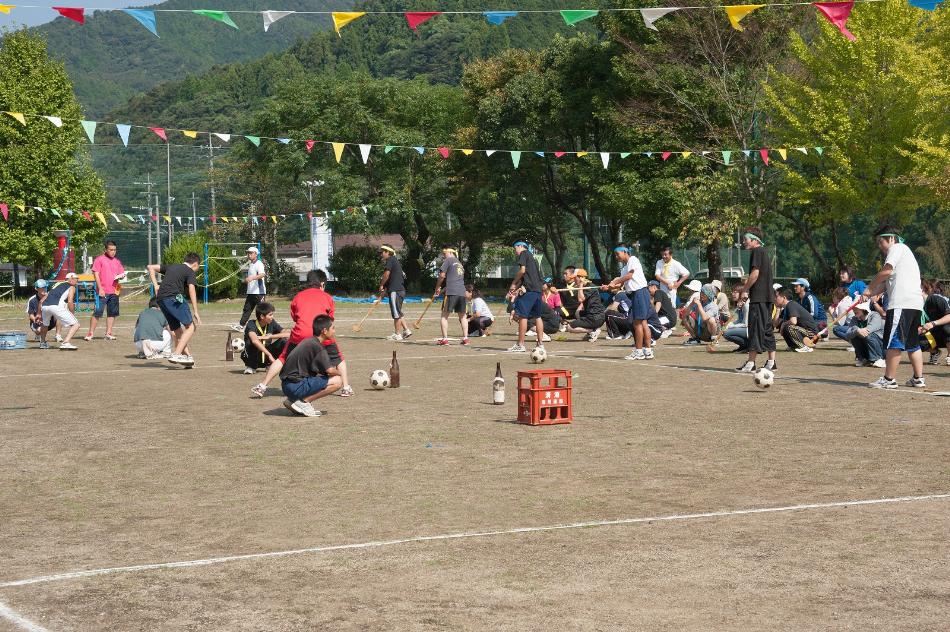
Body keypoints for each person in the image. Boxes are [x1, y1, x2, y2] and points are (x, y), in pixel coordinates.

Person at [251, 269, 353, 398]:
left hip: (300, 333)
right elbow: (329, 320)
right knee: (338, 359)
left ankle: (262, 386)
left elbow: (295, 317)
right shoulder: (327, 297)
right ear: (322, 284)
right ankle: (346, 387)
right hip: (321, 332)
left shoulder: (298, 297)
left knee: (282, 358)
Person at [862, 226, 925, 389]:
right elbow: (888, 281)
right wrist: (872, 293)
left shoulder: (896, 248)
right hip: (914, 304)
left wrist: (869, 287)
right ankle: (918, 378)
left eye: (880, 241)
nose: (879, 245)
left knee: (893, 342)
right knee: (913, 344)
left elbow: (886, 271)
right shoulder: (905, 252)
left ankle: (889, 379)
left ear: (891, 238)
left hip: (901, 304)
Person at [279, 314, 343, 417]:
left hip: (287, 385)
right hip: (295, 386)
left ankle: (292, 401)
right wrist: (341, 373)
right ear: (324, 331)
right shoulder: (318, 347)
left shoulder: (308, 341)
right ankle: (304, 402)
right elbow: (330, 371)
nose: (334, 331)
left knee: (322, 378)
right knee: (337, 381)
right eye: (333, 328)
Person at [147, 253, 202, 367]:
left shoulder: (172, 267)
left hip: (161, 300)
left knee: (177, 330)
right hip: (174, 298)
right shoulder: (189, 271)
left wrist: (156, 285)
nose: (197, 270)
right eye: (198, 267)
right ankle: (176, 353)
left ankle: (187, 359)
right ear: (195, 264)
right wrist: (196, 311)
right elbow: (192, 289)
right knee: (191, 327)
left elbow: (150, 267)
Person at [736, 227, 777, 373]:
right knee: (766, 330)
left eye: (746, 239)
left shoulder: (757, 252)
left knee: (755, 330)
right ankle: (771, 362)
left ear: (754, 240)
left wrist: (745, 289)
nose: (743, 242)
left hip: (759, 299)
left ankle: (751, 363)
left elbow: (754, 274)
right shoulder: (764, 253)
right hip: (766, 298)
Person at [603, 244, 652, 360]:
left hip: (640, 293)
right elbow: (620, 284)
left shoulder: (633, 260)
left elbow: (629, 276)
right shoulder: (624, 268)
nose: (616, 257)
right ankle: (648, 351)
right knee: (642, 322)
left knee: (637, 323)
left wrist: (614, 283)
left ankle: (639, 351)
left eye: (617, 254)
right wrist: (608, 288)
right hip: (636, 294)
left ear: (625, 251)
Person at [506, 241, 545, 353]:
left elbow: (522, 271)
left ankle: (520, 345)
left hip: (529, 290)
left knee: (523, 316)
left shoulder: (524, 253)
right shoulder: (533, 258)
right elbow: (528, 276)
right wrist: (515, 288)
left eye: (515, 248)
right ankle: (540, 344)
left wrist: (513, 282)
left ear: (520, 246)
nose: (515, 252)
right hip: (537, 290)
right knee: (538, 317)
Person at [85, 241, 126, 340]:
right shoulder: (99, 260)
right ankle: (90, 333)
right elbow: (96, 274)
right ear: (106, 250)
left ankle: (109, 333)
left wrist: (122, 276)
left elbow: (121, 274)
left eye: (115, 250)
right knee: (97, 312)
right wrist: (100, 288)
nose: (113, 252)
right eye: (111, 250)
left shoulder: (117, 261)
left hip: (114, 291)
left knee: (112, 313)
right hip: (102, 291)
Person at [433, 246, 469, 346]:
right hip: (462, 292)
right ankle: (465, 338)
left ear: (450, 252)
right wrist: (442, 290)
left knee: (444, 316)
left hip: (452, 293)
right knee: (463, 316)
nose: (444, 256)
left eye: (444, 254)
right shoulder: (460, 263)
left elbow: (442, 275)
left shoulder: (449, 260)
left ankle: (445, 339)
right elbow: (455, 281)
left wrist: (437, 287)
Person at [243, 301, 289, 374]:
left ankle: (269, 365)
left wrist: (271, 336)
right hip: (254, 356)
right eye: (270, 315)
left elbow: (288, 334)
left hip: (267, 356)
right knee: (252, 342)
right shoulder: (251, 324)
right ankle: (251, 366)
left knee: (284, 341)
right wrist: (269, 355)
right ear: (262, 316)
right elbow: (254, 340)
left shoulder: (271, 323)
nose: (272, 317)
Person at [39, 273, 80, 350]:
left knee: (45, 324)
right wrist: (72, 313)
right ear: (70, 278)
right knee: (76, 325)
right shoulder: (71, 286)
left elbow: (42, 299)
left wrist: (39, 312)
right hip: (56, 306)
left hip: (45, 306)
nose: (77, 281)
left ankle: (42, 343)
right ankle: (65, 343)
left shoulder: (57, 284)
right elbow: (70, 301)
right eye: (76, 278)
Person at [379, 244, 411, 341]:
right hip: (399, 290)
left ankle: (397, 334)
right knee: (398, 311)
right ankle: (406, 330)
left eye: (382, 252)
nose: (381, 254)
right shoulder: (394, 261)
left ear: (388, 252)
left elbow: (387, 274)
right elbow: (393, 278)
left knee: (396, 313)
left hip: (395, 291)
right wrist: (385, 290)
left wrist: (381, 285)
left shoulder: (390, 260)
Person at [838, 301, 885, 368]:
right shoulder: (855, 318)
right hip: (868, 344)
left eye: (856, 308)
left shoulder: (875, 315)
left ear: (863, 309)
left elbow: (870, 329)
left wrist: (858, 330)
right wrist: (857, 330)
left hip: (881, 346)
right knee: (854, 336)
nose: (854, 310)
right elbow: (848, 334)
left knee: (868, 335)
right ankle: (863, 359)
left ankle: (879, 359)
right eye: (853, 309)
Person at [231, 246, 266, 332]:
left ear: (256, 254)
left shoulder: (259, 263)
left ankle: (267, 327)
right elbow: (251, 278)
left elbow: (262, 274)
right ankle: (241, 326)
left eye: (251, 253)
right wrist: (246, 280)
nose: (249, 255)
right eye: (248, 253)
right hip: (251, 292)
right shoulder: (251, 264)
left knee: (262, 311)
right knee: (247, 309)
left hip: (259, 292)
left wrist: (252, 278)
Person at [564, 269, 605, 340]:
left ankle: (592, 331)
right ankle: (592, 330)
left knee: (569, 327)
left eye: (575, 278)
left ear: (581, 278)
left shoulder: (589, 287)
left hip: (595, 317)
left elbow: (580, 299)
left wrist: (581, 285)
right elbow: (583, 301)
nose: (573, 280)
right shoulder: (586, 286)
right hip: (593, 315)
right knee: (578, 313)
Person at [921, 280, 950, 366]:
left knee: (947, 328)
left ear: (922, 289)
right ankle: (935, 352)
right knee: (916, 340)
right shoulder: (915, 305)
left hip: (944, 329)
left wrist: (933, 323)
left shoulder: (936, 299)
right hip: (933, 333)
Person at [722, 285, 750, 352]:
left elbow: (745, 324)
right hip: (746, 329)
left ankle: (748, 345)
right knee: (724, 330)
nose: (732, 294)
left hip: (750, 330)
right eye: (733, 292)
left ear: (741, 293)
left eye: (735, 292)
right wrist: (728, 324)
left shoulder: (747, 305)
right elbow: (739, 320)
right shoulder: (740, 305)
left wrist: (730, 326)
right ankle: (743, 346)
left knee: (726, 333)